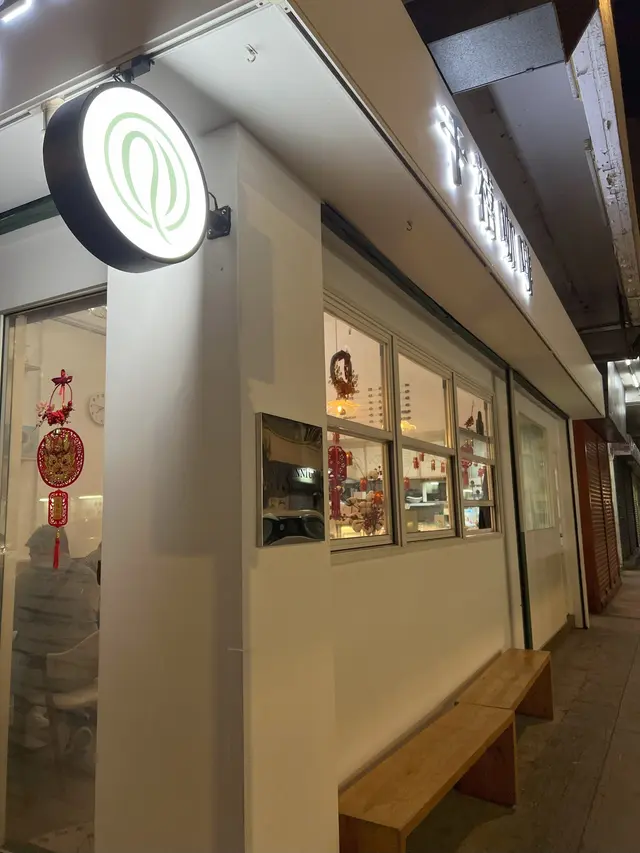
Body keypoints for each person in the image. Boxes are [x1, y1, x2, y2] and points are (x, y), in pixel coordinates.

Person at [12, 526, 100, 700]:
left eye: (32, 554)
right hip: (85, 672)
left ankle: (21, 713)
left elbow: (13, 623)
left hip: (47, 675)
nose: (31, 559)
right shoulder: (88, 576)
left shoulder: (25, 579)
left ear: (44, 552)